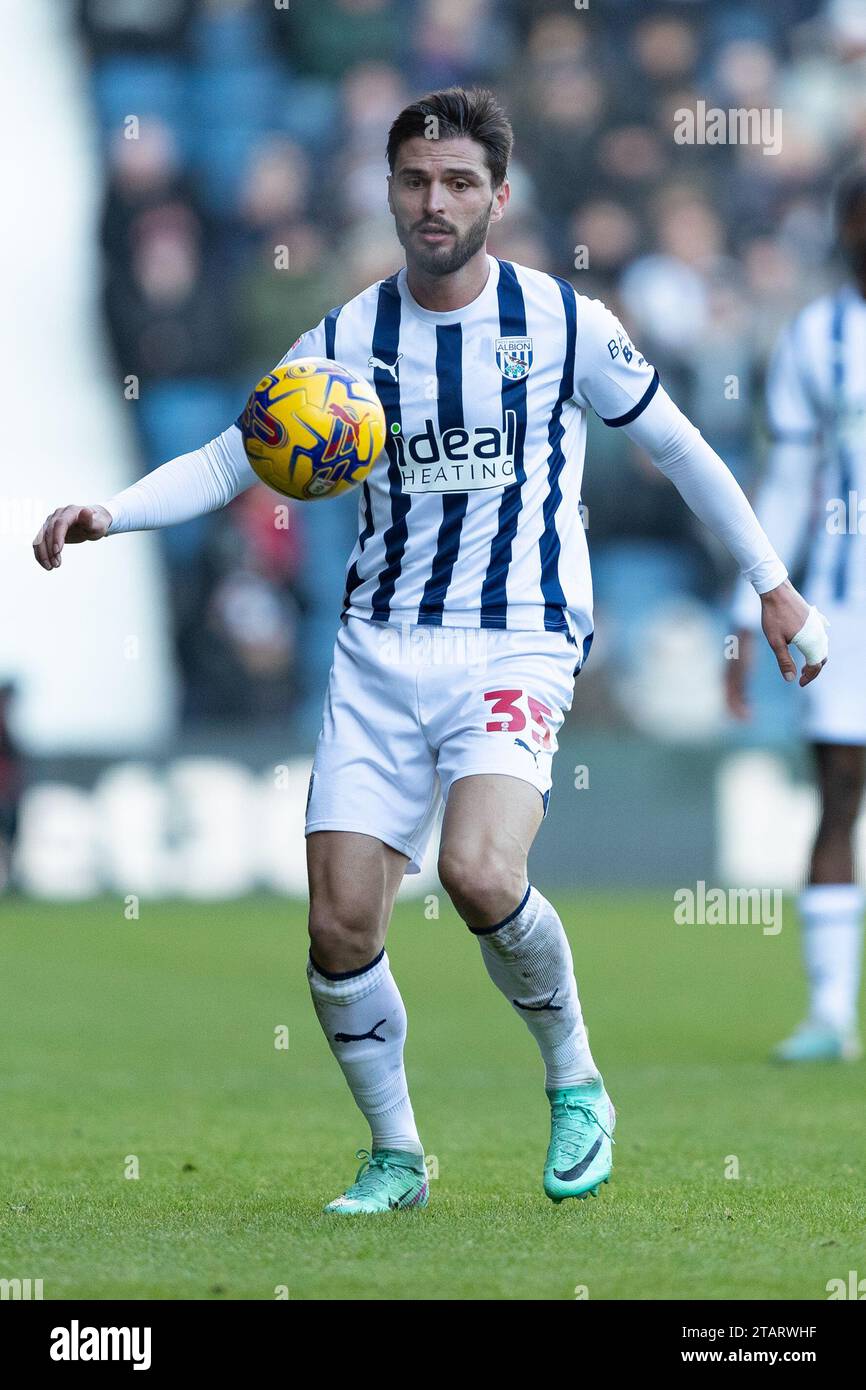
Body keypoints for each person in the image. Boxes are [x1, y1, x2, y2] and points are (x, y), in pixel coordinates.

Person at [34, 88, 827, 1214]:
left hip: (515, 638)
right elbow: (229, 456)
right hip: (379, 648)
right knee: (338, 923)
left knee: (477, 871)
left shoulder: (561, 323)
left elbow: (680, 448)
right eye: (414, 180)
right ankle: (397, 1154)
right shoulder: (348, 337)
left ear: (498, 196)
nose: (433, 200)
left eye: (458, 182)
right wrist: (108, 514)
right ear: (389, 189)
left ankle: (575, 1080)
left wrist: (773, 587)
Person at [728, 167, 866, 1064]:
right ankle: (828, 1013)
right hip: (847, 608)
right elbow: (785, 482)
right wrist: (745, 611)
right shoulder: (817, 339)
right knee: (839, 797)